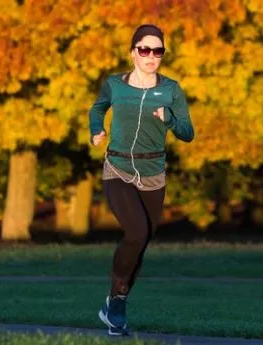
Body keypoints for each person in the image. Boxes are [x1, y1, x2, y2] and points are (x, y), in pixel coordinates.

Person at [88, 24, 194, 336]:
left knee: (141, 242)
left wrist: (169, 119)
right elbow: (97, 109)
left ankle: (114, 303)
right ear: (133, 52)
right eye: (145, 50)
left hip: (153, 174)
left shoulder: (171, 90)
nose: (151, 56)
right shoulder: (114, 85)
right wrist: (96, 129)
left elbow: (188, 133)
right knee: (136, 232)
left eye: (157, 51)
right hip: (118, 167)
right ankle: (117, 304)